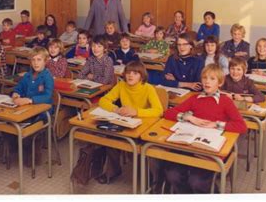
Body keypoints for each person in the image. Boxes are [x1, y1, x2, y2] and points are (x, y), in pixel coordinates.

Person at [163, 64, 247, 194]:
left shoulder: (225, 101)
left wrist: (216, 124)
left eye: (212, 79)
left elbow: (241, 126)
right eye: (205, 78)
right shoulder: (195, 98)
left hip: (208, 151)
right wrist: (188, 117)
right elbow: (168, 113)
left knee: (196, 181)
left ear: (220, 83)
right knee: (173, 176)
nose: (207, 82)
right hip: (188, 146)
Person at [95, 61, 163, 183]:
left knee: (140, 148)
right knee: (110, 137)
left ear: (141, 76)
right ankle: (113, 171)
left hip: (142, 125)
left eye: (135, 73)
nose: (130, 76)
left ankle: (149, 177)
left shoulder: (148, 88)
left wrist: (136, 112)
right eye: (128, 73)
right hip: (125, 122)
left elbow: (158, 111)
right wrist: (115, 109)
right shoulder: (121, 85)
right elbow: (103, 100)